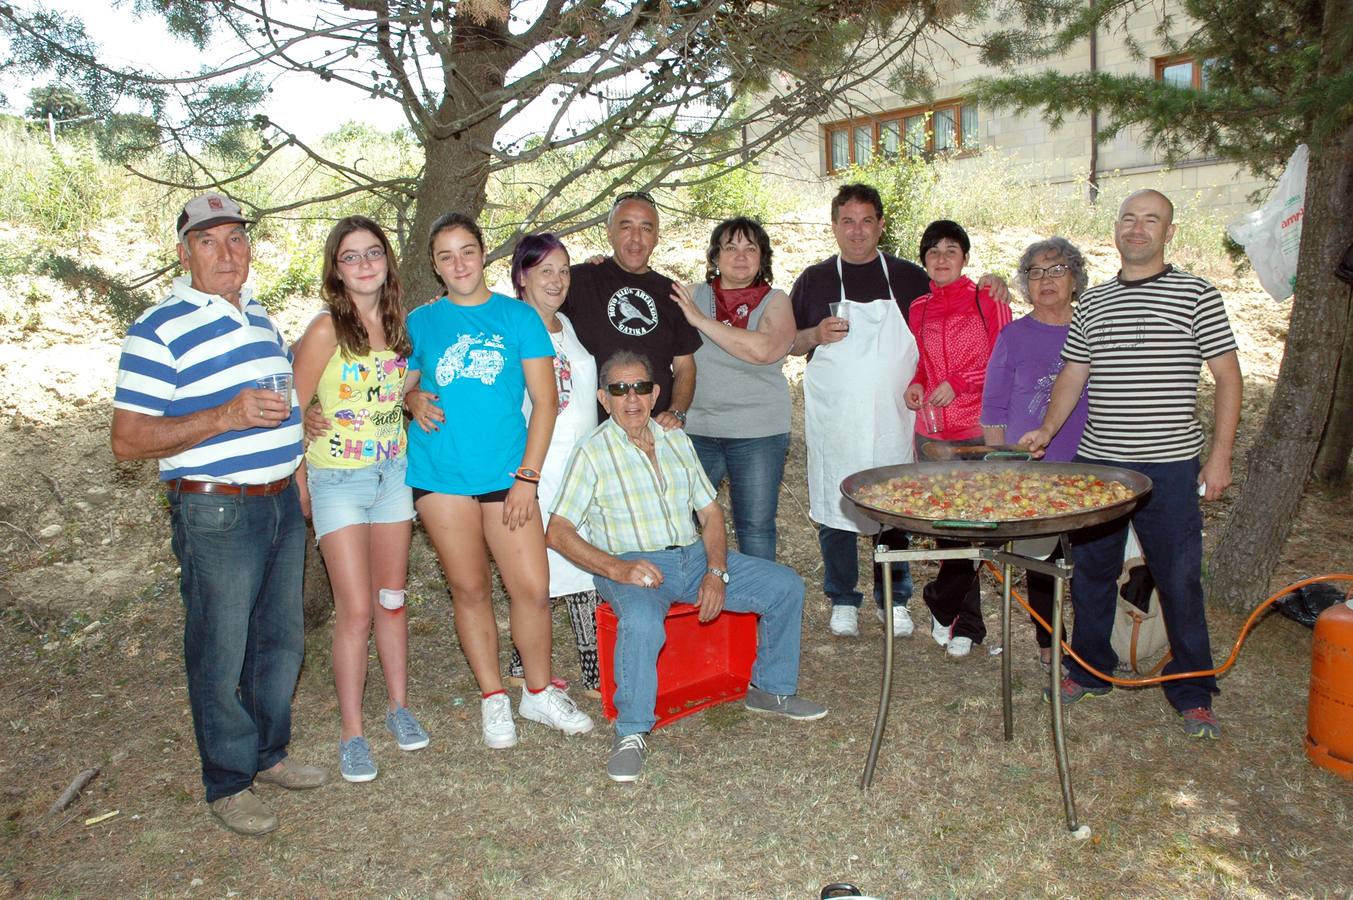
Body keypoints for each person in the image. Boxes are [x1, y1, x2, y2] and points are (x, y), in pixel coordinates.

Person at [111, 192, 325, 836]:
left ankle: (268, 753)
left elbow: (276, 405)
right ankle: (229, 780)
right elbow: (128, 439)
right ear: (184, 253)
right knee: (221, 646)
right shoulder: (157, 330)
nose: (227, 253)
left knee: (280, 641)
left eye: (236, 238)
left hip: (280, 501)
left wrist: (299, 424)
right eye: (209, 241)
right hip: (216, 511)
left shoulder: (259, 319)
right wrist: (226, 416)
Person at [1019, 189, 1242, 740]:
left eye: (1151, 220)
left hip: (1170, 465)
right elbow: (1075, 374)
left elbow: (1228, 378)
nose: (1137, 229)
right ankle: (1091, 670)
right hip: (1101, 466)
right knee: (1092, 573)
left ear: (1168, 231)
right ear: (1116, 229)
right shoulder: (1092, 305)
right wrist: (1047, 428)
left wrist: (1218, 457)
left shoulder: (1197, 295)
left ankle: (1192, 688)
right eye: (1128, 219)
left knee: (1179, 578)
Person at [547, 351, 827, 783]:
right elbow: (558, 531)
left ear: (656, 392)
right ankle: (631, 732)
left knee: (784, 585)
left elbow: (711, 513)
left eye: (641, 387)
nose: (632, 398)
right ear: (604, 398)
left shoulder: (675, 438)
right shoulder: (593, 452)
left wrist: (716, 571)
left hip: (694, 559)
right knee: (641, 622)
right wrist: (617, 570)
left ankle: (770, 691)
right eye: (620, 390)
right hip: (633, 565)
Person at [404, 212, 593, 748]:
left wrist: (527, 479)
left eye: (467, 251)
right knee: (469, 589)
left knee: (532, 588)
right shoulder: (422, 321)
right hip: (441, 475)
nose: (459, 263)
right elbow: (402, 381)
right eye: (446, 256)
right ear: (436, 266)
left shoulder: (518, 318)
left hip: (509, 476)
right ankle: (493, 698)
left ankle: (537, 694)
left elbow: (546, 403)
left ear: (483, 254)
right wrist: (410, 396)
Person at [291, 216, 427, 783]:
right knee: (356, 609)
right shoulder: (326, 329)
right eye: (352, 256)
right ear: (336, 269)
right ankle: (353, 733)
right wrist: (300, 473)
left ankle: (399, 707)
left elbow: (405, 382)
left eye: (374, 252)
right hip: (337, 482)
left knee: (391, 599)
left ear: (388, 262)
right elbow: (290, 408)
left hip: (393, 477)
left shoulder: (400, 325)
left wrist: (415, 399)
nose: (366, 263)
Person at [500, 233, 604, 698]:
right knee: (541, 569)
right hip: (537, 463)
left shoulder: (564, 322)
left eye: (564, 270)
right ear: (521, 277)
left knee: (580, 562)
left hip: (580, 465)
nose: (557, 280)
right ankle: (559, 665)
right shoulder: (510, 325)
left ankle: (548, 663)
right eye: (545, 270)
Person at [903, 220, 1012, 658]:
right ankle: (965, 622)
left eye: (952, 249)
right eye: (933, 251)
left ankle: (943, 603)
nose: (942, 258)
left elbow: (1005, 363)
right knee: (947, 529)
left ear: (965, 257)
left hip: (976, 428)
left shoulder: (987, 299)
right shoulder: (919, 307)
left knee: (975, 525)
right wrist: (915, 383)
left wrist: (961, 383)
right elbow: (922, 366)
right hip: (929, 431)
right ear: (924, 260)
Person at [980, 236, 1091, 670]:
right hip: (1032, 466)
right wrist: (1000, 468)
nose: (1046, 280)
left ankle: (1093, 640)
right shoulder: (1014, 335)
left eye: (1057, 270)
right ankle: (1050, 643)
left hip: (1089, 461)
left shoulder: (1092, 327)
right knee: (1043, 557)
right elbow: (993, 408)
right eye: (1036, 272)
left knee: (1090, 558)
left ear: (1075, 278)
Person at [670, 216, 795, 561]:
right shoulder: (691, 295)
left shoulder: (777, 301)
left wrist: (701, 322)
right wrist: (601, 266)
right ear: (715, 256)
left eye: (750, 248)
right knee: (680, 520)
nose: (740, 256)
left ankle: (757, 610)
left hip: (758, 432)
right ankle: (692, 598)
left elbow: (765, 350)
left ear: (762, 257)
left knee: (754, 525)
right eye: (730, 248)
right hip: (696, 430)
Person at [561, 191, 702, 425]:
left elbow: (685, 366)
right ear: (609, 233)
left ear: (656, 237)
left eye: (646, 229)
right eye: (626, 227)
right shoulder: (578, 281)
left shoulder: (672, 293)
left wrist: (676, 412)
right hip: (589, 431)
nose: (636, 239)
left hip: (654, 432)